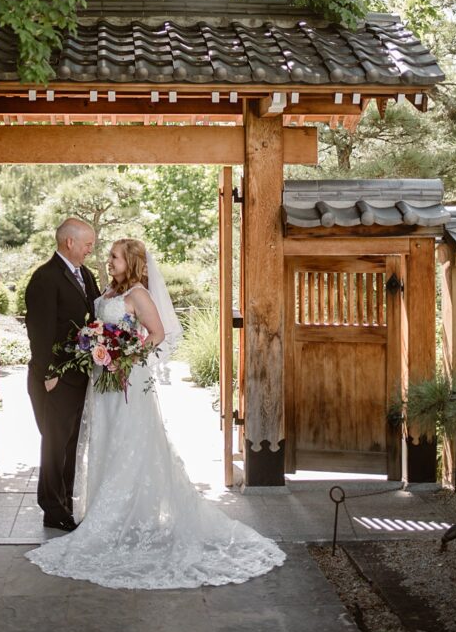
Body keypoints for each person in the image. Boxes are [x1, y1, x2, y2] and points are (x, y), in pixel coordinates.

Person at [25, 238, 286, 589]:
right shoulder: (105, 291)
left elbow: (159, 334)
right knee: (105, 438)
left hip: (126, 379)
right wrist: (99, 348)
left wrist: (125, 356)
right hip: (102, 381)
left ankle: (130, 513)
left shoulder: (139, 294)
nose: (108, 259)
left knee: (130, 441)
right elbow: (98, 328)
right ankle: (104, 509)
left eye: (114, 256)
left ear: (129, 261)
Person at [25, 217, 100, 532]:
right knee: (55, 444)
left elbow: (94, 316)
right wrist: (48, 373)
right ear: (70, 242)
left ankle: (65, 501)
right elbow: (39, 332)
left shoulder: (85, 275)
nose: (89, 251)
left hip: (80, 375)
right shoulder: (45, 278)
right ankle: (52, 509)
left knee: (71, 443)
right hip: (54, 378)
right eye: (87, 245)